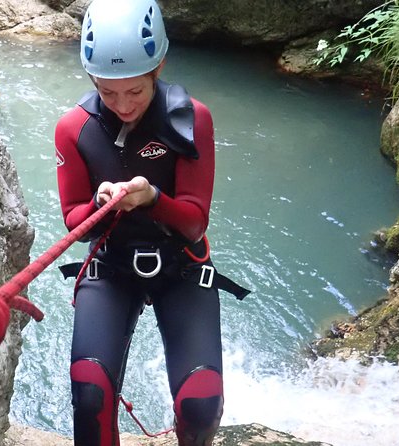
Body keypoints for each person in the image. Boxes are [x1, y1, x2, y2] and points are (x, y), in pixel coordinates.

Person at [54, 0, 250, 445]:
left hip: (181, 265)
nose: (123, 104)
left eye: (135, 92)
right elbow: (73, 222)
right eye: (107, 92)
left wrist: (150, 198)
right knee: (89, 394)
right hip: (111, 264)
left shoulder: (191, 119)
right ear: (91, 80)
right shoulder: (74, 128)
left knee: (201, 403)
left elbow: (194, 223)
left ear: (158, 67)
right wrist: (101, 205)